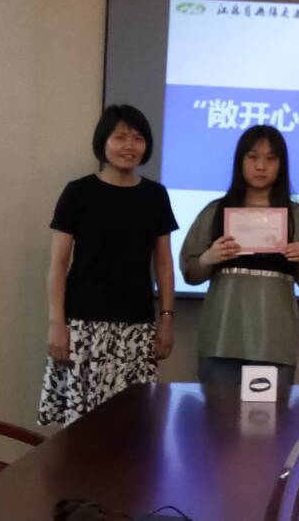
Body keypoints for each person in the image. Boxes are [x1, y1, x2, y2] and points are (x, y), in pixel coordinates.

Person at [39, 105, 178, 427]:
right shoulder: (78, 192)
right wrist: (57, 323)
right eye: (120, 137)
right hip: (84, 325)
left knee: (134, 425)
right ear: (103, 142)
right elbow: (58, 264)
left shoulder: (155, 195)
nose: (129, 146)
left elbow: (164, 263)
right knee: (81, 428)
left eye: (138, 138)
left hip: (138, 327)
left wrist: (167, 319)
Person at [179, 125, 299, 396]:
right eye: (253, 157)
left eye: (271, 158)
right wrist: (208, 258)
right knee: (216, 419)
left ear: (281, 165)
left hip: (274, 344)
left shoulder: (296, 216)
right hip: (221, 340)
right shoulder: (216, 211)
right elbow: (190, 273)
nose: (261, 166)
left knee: (272, 421)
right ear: (240, 161)